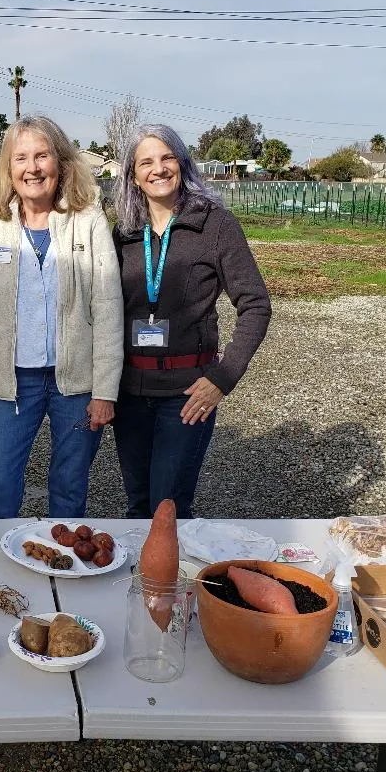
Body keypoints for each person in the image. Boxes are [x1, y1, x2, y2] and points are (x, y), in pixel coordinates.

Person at [0, 115, 123, 519]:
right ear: (8, 168)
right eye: (20, 158)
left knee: (69, 487)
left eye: (42, 156)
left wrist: (104, 391)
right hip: (12, 382)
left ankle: (63, 569)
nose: (32, 168)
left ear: (61, 162)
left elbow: (107, 309)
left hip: (75, 383)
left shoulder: (87, 220)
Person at [113, 124, 271, 518]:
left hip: (187, 394)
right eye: (146, 162)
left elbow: (255, 304)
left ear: (182, 163)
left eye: (167, 157)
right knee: (137, 504)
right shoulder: (125, 232)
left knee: (168, 507)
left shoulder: (216, 225)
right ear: (133, 175)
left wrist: (223, 378)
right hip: (128, 391)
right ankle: (139, 581)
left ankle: (169, 580)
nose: (158, 169)